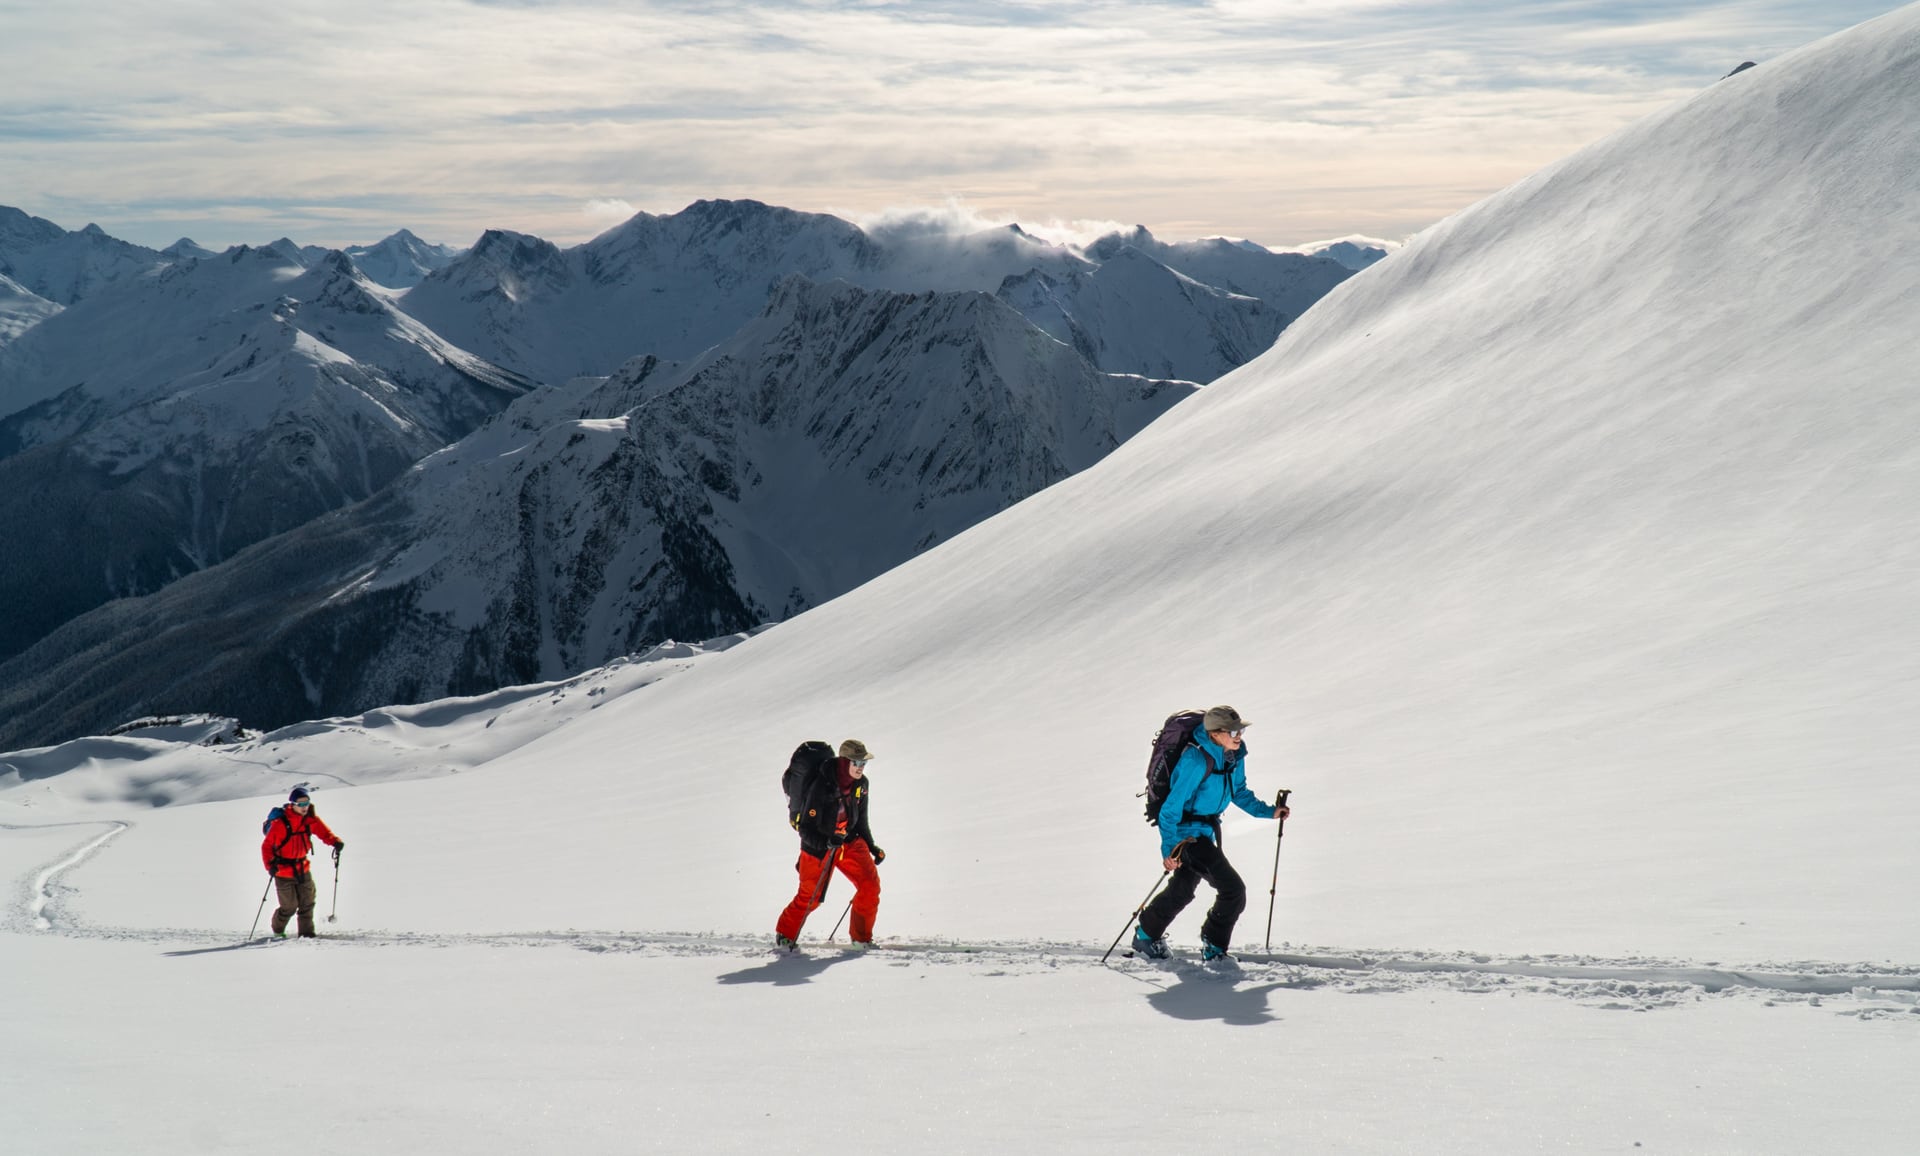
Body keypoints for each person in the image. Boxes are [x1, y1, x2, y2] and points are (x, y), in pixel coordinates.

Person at [1134, 705, 1289, 963]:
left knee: (1182, 890)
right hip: (1188, 835)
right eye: (1233, 731)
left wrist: (1270, 812)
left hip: (1205, 832)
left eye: (1241, 730)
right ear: (1215, 733)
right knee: (1233, 890)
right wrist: (1169, 849)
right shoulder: (1195, 761)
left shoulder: (1233, 756)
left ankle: (1146, 935)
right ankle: (1214, 946)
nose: (1239, 735)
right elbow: (1170, 810)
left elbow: (1239, 792)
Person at [775, 739, 885, 950]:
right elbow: (805, 829)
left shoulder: (861, 784)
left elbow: (860, 820)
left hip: (848, 841)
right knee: (811, 897)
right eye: (856, 763)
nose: (861, 768)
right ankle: (785, 933)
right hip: (818, 847)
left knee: (870, 886)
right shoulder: (822, 787)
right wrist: (826, 841)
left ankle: (861, 939)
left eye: (863, 763)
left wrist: (872, 847)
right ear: (844, 762)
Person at [261, 785, 345, 938]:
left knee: (308, 902)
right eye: (300, 804)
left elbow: (324, 833)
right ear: (293, 805)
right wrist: (270, 866)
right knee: (289, 907)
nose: (304, 807)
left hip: (302, 868)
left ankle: (307, 935)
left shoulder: (310, 819)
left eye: (306, 803)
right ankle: (278, 930)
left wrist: (335, 842)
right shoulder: (280, 824)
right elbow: (266, 846)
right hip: (283, 871)